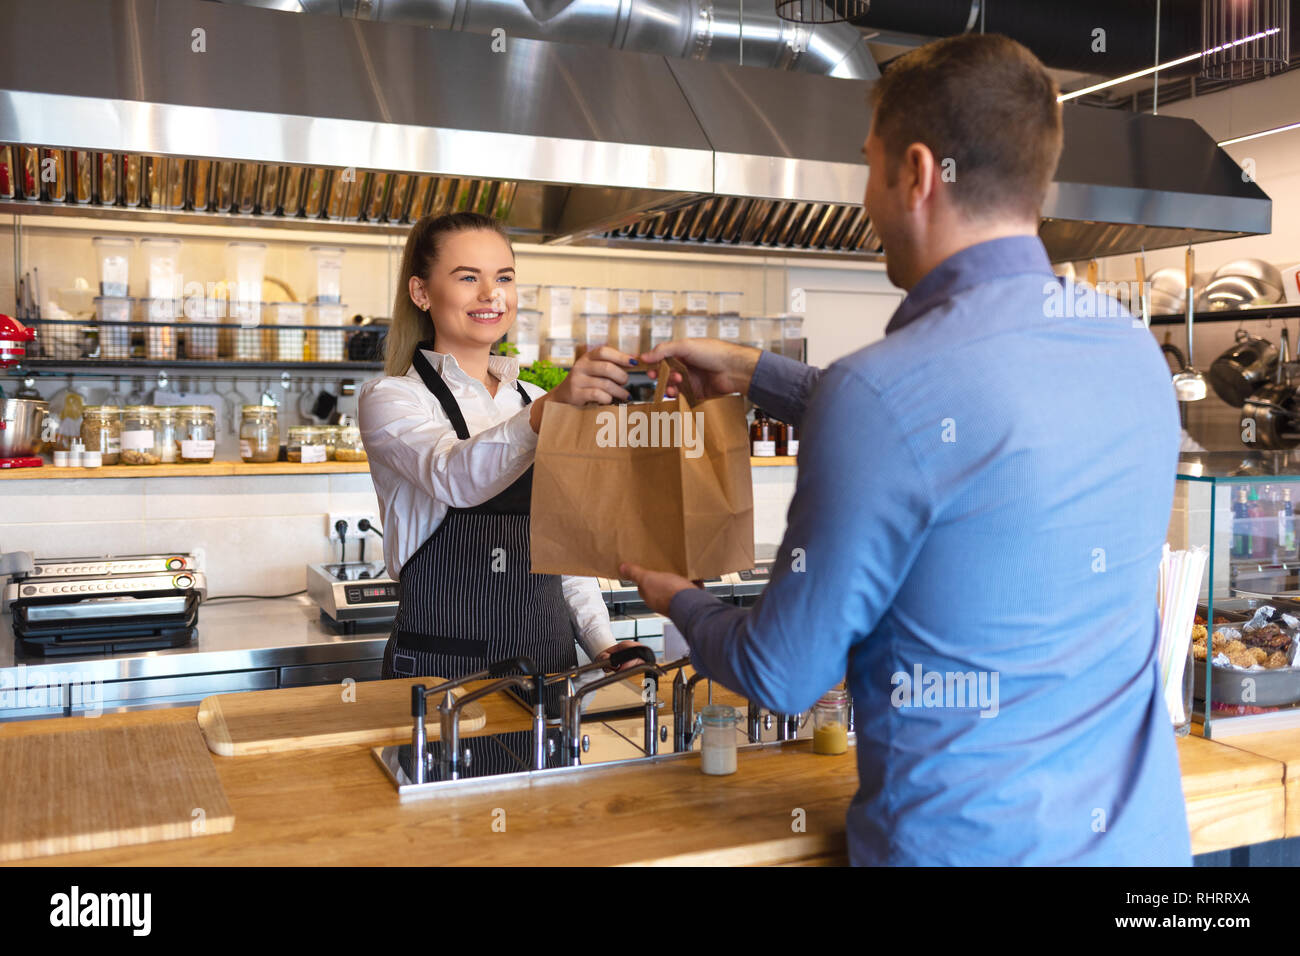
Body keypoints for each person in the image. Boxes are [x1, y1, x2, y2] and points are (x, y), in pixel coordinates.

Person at [622, 34, 1191, 866]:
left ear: (918, 175)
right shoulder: (1131, 351)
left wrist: (672, 593)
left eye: (867, 165)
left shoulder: (881, 394)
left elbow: (781, 672)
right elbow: (966, 446)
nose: (864, 197)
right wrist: (756, 373)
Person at [358, 212, 645, 682]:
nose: (491, 294)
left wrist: (603, 642)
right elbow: (454, 475)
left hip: (549, 667)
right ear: (421, 293)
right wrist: (551, 412)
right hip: (443, 672)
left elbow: (565, 550)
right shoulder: (391, 399)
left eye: (504, 278)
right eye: (468, 277)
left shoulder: (533, 399)